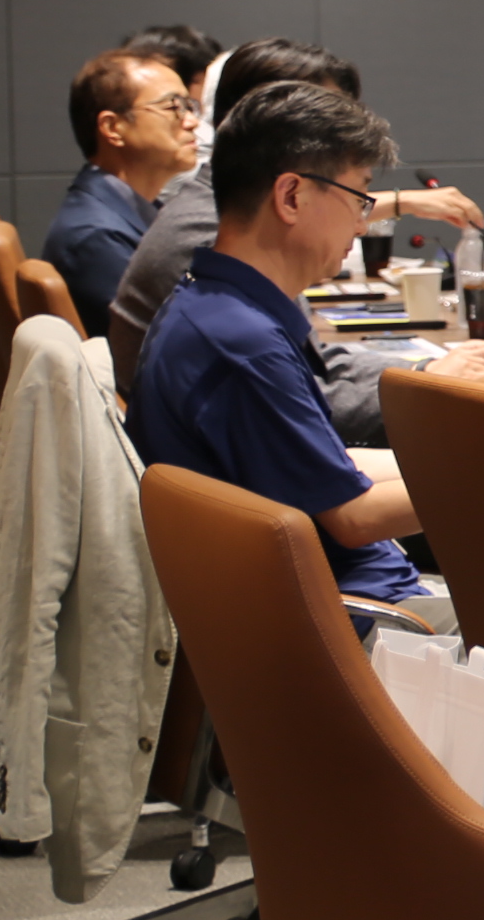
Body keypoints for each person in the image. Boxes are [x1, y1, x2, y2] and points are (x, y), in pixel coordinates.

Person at [127, 80, 440, 610]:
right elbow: (355, 518)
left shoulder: (217, 305)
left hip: (343, 592)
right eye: (358, 198)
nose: (362, 223)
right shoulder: (240, 342)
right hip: (349, 620)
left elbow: (329, 464)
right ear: (291, 196)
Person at [109, 37, 484, 432]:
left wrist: (424, 372)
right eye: (323, 116)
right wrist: (432, 389)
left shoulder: (227, 223)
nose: (361, 225)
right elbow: (306, 406)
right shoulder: (213, 243)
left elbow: (310, 364)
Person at [38, 48, 198, 326]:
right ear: (113, 127)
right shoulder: (97, 239)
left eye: (189, 105)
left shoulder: (126, 211)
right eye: (173, 107)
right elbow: (165, 339)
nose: (192, 121)